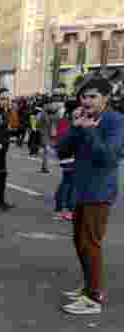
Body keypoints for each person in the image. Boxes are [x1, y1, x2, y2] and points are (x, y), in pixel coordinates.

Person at [57, 78, 124, 315]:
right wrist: (76, 127)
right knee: (79, 241)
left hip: (100, 190)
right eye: (83, 96)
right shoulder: (81, 119)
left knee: (90, 243)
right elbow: (62, 150)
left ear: (106, 98)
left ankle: (94, 297)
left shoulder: (116, 121)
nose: (86, 101)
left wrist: (91, 130)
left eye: (93, 96)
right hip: (80, 189)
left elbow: (109, 157)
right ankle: (88, 286)